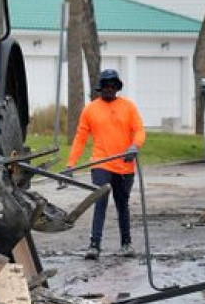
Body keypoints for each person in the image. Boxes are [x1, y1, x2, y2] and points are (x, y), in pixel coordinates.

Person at [63, 69, 147, 260]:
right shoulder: (90, 109)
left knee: (122, 204)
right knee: (100, 201)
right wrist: (70, 164)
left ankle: (126, 244)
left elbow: (140, 131)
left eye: (112, 85)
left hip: (125, 165)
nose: (109, 89)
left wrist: (134, 146)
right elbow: (80, 138)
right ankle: (94, 246)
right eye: (105, 86)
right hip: (101, 164)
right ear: (100, 88)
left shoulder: (129, 107)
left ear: (117, 87)